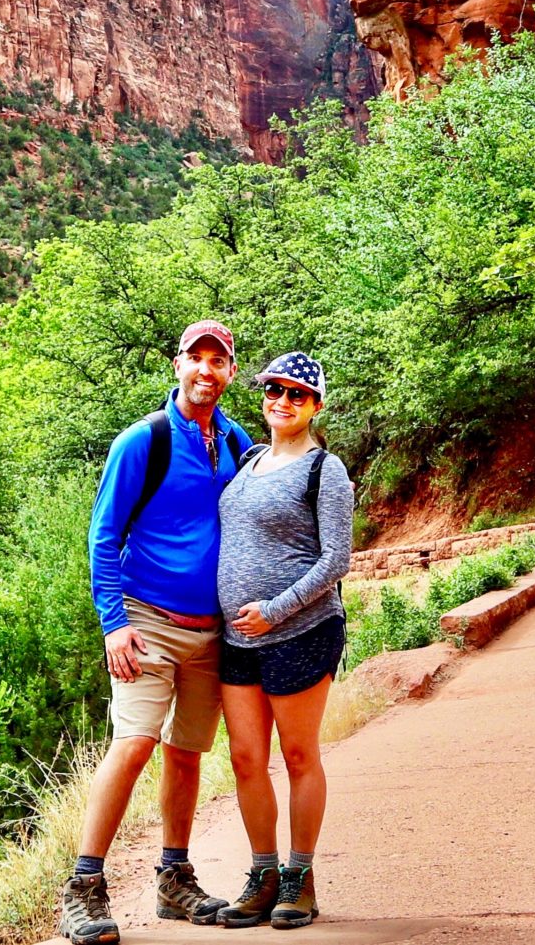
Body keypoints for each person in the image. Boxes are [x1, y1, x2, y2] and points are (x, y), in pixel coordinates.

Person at [58, 321, 254, 945]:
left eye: (217, 361)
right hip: (146, 622)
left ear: (230, 372)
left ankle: (174, 877)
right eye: (195, 358)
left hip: (212, 630)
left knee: (187, 752)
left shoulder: (235, 439)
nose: (206, 370)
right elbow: (103, 534)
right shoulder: (144, 440)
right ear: (177, 365)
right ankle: (82, 889)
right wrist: (113, 623)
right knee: (136, 741)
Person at [213, 351, 353, 930]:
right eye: (275, 391)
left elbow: (336, 558)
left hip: (301, 631)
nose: (283, 402)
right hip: (236, 640)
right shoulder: (247, 460)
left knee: (298, 757)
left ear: (315, 405)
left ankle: (300, 877)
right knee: (247, 760)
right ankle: (263, 873)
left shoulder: (326, 470)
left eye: (297, 394)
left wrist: (274, 610)